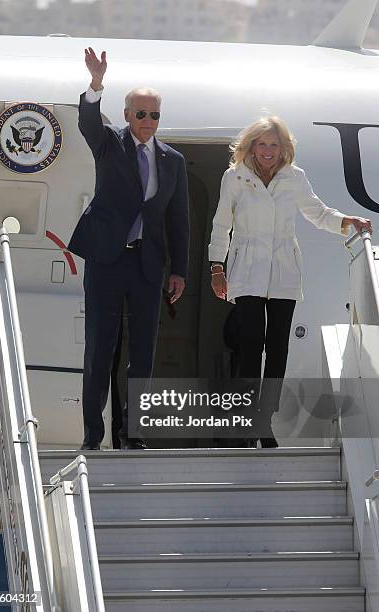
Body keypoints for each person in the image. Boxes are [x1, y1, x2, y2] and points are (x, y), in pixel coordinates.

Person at [209, 116, 372, 448]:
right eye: (262, 144)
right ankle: (245, 423)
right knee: (251, 344)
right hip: (248, 270)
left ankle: (264, 421)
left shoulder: (294, 178)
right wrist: (217, 268)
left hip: (284, 270)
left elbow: (317, 213)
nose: (268, 151)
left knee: (278, 348)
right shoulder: (234, 177)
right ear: (251, 146)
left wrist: (346, 221)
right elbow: (221, 223)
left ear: (283, 148)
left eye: (274, 145)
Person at [69, 48, 189, 450]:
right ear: (126, 115)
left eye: (155, 115)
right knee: (99, 348)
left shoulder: (173, 160)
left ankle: (135, 434)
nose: (148, 121)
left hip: (147, 264)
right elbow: (87, 122)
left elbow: (178, 220)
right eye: (141, 114)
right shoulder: (108, 144)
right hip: (107, 259)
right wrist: (96, 83)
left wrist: (180, 270)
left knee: (144, 354)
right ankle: (93, 436)